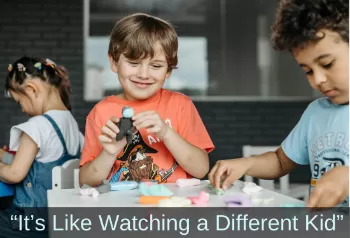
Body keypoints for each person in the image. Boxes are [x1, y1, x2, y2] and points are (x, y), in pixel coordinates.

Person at [209, 0, 349, 208]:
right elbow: (281, 161)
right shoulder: (316, 113)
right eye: (308, 71)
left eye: (327, 64)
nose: (317, 79)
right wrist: (246, 164)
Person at [79, 13, 214, 186]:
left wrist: (166, 133)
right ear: (114, 62)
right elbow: (86, 182)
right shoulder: (101, 112)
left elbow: (201, 169)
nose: (143, 74)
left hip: (174, 207)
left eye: (156, 66)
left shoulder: (181, 105)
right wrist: (109, 153)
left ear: (168, 71)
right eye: (133, 63)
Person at [0, 56, 84, 237]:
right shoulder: (71, 125)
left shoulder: (37, 126)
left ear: (31, 90)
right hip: (55, 218)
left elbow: (15, 174)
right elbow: (32, 163)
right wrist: (3, 157)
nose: (22, 109)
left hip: (29, 221)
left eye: (19, 102)